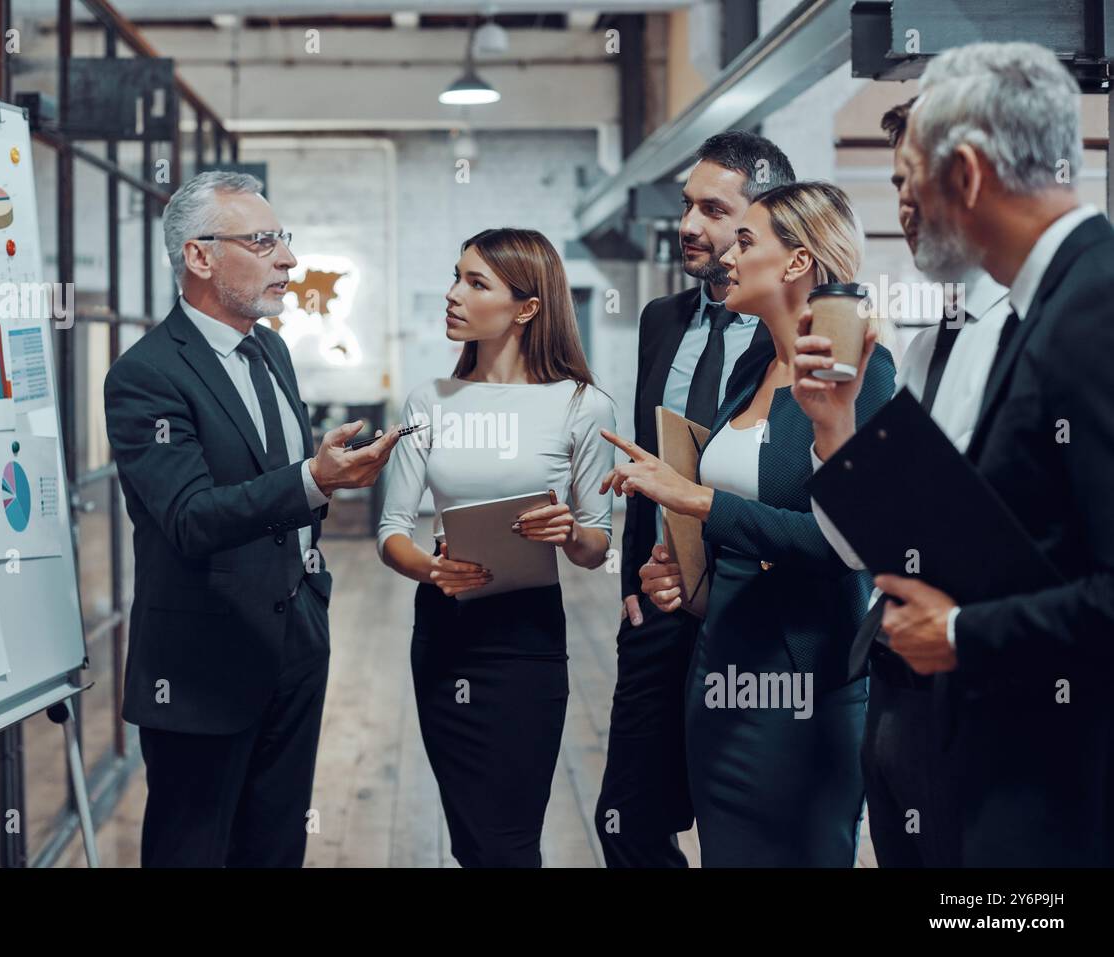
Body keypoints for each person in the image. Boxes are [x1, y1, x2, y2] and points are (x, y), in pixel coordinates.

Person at [858, 43, 1114, 866]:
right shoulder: (1049, 306)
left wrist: (966, 631)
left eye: (913, 178)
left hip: (1061, 798)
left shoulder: (1093, 307)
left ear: (964, 174)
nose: (906, 202)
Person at [104, 171, 401, 867]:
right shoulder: (146, 375)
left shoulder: (269, 349)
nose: (288, 260)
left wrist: (311, 588)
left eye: (283, 239)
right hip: (201, 665)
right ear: (200, 257)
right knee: (195, 850)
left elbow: (278, 490)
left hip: (293, 638)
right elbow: (188, 516)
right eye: (264, 241)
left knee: (275, 846)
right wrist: (312, 480)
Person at [601, 182, 895, 866]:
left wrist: (698, 501)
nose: (726, 257)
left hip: (806, 685)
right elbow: (738, 531)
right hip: (719, 669)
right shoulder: (752, 366)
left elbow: (845, 543)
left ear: (796, 263)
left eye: (745, 241)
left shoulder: (864, 373)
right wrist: (682, 569)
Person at [791, 98, 1011, 867]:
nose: (905, 206)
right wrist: (832, 425)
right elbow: (872, 548)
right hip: (901, 692)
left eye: (919, 182)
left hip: (995, 699)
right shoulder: (924, 351)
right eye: (896, 184)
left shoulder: (1045, 336)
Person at [377, 228, 615, 867]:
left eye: (475, 282)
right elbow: (390, 530)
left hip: (525, 641)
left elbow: (596, 545)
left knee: (508, 843)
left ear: (527, 307)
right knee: (472, 840)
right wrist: (434, 569)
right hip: (445, 633)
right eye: (457, 276)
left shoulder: (583, 407)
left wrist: (569, 532)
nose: (453, 295)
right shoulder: (428, 401)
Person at [594, 131, 795, 868]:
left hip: (746, 615)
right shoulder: (662, 321)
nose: (688, 225)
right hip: (655, 608)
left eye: (714, 209)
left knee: (735, 829)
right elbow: (652, 476)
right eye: (687, 206)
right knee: (627, 821)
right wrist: (631, 595)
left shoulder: (790, 339)